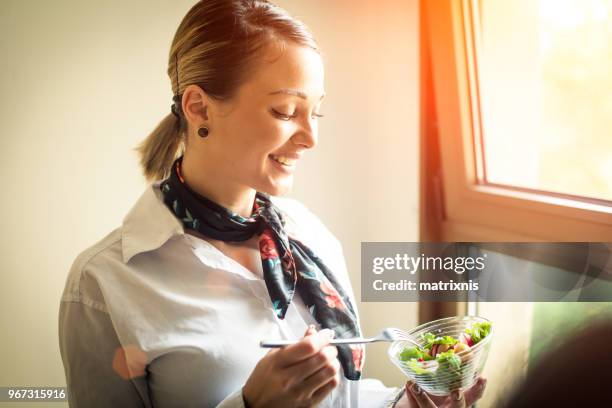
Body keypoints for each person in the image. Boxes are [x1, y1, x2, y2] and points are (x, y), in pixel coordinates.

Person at [58, 1, 485, 407]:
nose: (310, 137)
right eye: (284, 111)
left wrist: (407, 402)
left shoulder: (310, 235)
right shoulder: (104, 284)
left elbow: (341, 398)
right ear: (199, 107)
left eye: (315, 113)